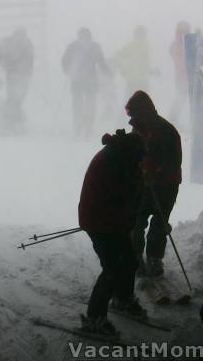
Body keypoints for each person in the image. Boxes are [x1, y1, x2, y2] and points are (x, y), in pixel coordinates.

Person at [78, 129, 148, 337]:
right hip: (99, 221)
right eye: (141, 157)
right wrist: (140, 180)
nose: (142, 161)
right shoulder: (112, 161)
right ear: (132, 151)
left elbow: (126, 195)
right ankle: (94, 318)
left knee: (128, 260)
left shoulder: (120, 155)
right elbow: (121, 194)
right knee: (113, 268)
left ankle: (122, 299)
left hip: (113, 220)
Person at [125, 90, 182, 277]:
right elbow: (136, 156)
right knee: (137, 220)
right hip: (144, 184)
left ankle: (154, 257)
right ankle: (135, 256)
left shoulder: (166, 131)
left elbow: (173, 161)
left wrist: (156, 175)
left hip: (167, 185)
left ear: (144, 111)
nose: (132, 119)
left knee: (159, 222)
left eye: (134, 114)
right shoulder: (139, 129)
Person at [61, 27, 111, 138]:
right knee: (89, 105)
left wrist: (67, 70)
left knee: (79, 105)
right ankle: (87, 128)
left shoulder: (73, 46)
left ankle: (80, 128)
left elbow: (65, 60)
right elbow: (101, 61)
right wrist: (107, 72)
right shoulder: (93, 46)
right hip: (88, 81)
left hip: (79, 80)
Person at [0, 27, 34, 133]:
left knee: (17, 99)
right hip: (12, 74)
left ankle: (11, 122)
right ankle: (12, 122)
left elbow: (30, 58)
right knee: (14, 98)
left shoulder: (27, 44)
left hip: (22, 75)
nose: (21, 38)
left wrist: (29, 70)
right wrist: (5, 64)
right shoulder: (7, 43)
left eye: (23, 36)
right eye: (20, 35)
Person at [114, 25, 153, 98]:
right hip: (138, 80)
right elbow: (120, 59)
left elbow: (119, 58)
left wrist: (123, 71)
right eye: (143, 34)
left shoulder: (131, 46)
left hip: (133, 80)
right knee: (142, 101)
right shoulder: (142, 46)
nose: (144, 36)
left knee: (130, 100)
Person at [168, 21, 191, 125]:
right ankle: (173, 119)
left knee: (181, 99)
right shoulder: (181, 45)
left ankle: (173, 119)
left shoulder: (176, 45)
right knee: (182, 99)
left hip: (183, 78)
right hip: (184, 78)